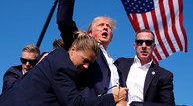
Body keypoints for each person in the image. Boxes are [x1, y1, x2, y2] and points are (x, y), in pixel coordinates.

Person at [0, 30, 128, 106]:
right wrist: (112, 98)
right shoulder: (63, 68)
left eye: (90, 63)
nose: (86, 66)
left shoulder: (56, 57)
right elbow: (75, 103)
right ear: (73, 50)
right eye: (85, 60)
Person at [57, 0, 126, 101]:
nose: (105, 28)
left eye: (109, 27)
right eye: (101, 25)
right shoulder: (83, 46)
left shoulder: (114, 64)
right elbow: (64, 21)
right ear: (90, 32)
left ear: (112, 37)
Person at [114, 29, 175, 105]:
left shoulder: (164, 75)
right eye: (140, 42)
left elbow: (168, 105)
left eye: (148, 43)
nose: (144, 46)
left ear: (154, 47)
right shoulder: (121, 63)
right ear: (135, 46)